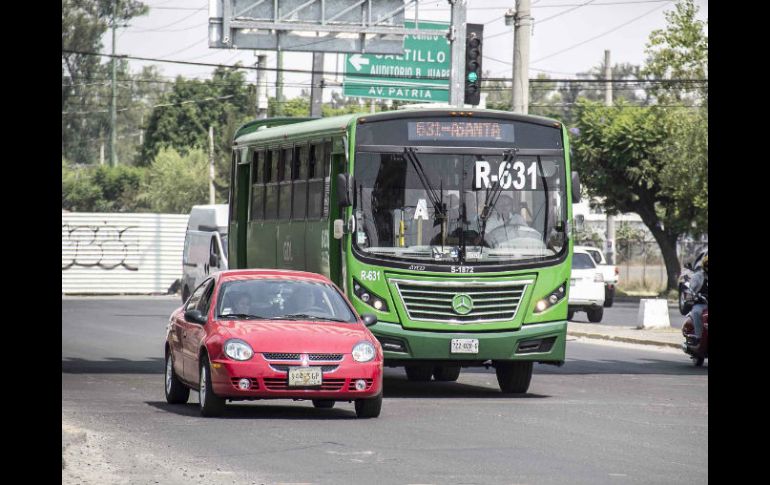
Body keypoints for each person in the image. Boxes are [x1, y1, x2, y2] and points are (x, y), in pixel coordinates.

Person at [688, 253, 708, 342]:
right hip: (701, 303)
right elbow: (691, 288)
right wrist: (695, 294)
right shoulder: (698, 276)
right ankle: (698, 336)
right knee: (696, 312)